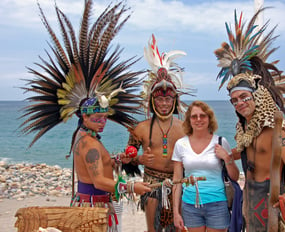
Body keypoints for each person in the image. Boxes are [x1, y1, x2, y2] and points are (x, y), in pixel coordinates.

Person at [19, 1, 151, 231]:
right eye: (96, 118)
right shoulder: (89, 144)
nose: (102, 121)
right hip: (92, 210)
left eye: (104, 117)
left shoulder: (85, 137)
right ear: (83, 116)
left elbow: (97, 168)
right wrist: (132, 187)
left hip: (90, 205)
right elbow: (99, 181)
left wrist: (118, 159)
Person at [214, 8, 285, 232]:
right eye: (234, 100)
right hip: (250, 191)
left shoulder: (273, 126)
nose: (239, 103)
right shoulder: (245, 128)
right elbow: (249, 151)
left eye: (243, 97)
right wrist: (228, 156)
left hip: (271, 192)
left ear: (255, 96)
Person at [124, 34, 193, 232]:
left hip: (178, 183)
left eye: (168, 100)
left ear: (174, 101)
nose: (164, 104)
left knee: (177, 228)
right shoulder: (141, 128)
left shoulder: (185, 126)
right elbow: (127, 159)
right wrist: (139, 160)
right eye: (160, 100)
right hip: (151, 185)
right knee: (152, 230)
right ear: (153, 101)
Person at [172, 101, 239, 232]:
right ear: (189, 120)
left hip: (217, 204)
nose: (198, 119)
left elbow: (235, 176)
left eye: (202, 116)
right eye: (194, 116)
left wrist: (227, 158)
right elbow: (177, 181)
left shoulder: (220, 142)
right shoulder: (180, 144)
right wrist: (176, 212)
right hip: (190, 205)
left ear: (209, 119)